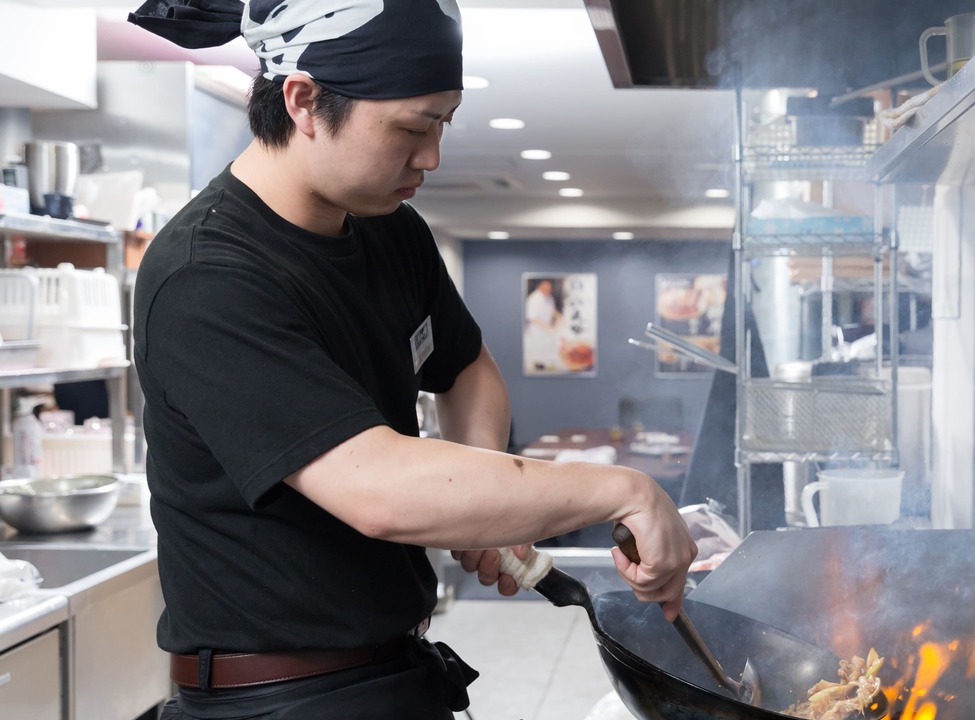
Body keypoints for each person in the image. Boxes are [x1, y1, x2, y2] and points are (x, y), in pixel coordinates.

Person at [125, 2, 697, 718]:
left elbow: (465, 366)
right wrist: (628, 491)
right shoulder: (208, 275)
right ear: (304, 101)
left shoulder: (391, 233)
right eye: (412, 127)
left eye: (442, 125)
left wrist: (484, 491)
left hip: (396, 672)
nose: (431, 157)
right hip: (277, 699)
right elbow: (377, 489)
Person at [523, 278, 562, 371]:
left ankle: (547, 365)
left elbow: (552, 310)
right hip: (536, 331)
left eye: (550, 287)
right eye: (546, 287)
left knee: (548, 352)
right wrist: (545, 327)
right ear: (540, 286)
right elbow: (531, 317)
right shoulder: (533, 299)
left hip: (547, 330)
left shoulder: (549, 297)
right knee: (537, 355)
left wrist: (560, 317)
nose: (549, 289)